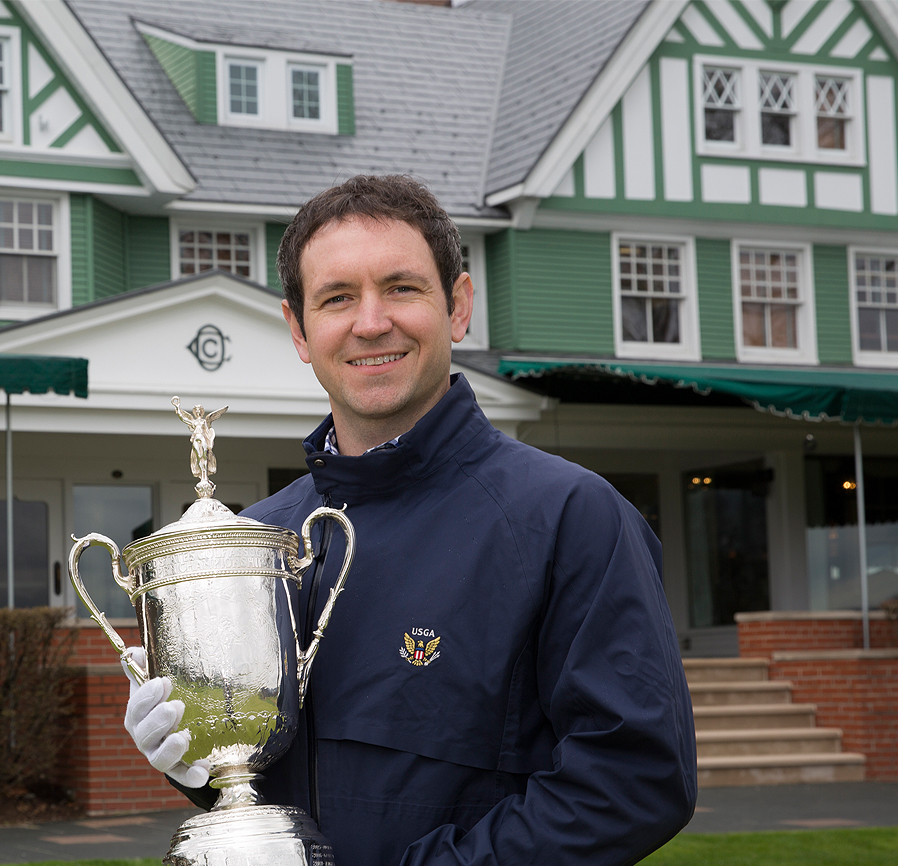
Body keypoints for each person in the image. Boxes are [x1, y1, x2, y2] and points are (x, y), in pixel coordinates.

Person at [122, 175, 697, 865]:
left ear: (457, 307)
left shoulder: (569, 517)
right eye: (337, 298)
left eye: (401, 288)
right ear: (300, 331)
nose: (370, 322)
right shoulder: (264, 545)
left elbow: (634, 782)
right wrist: (198, 766)